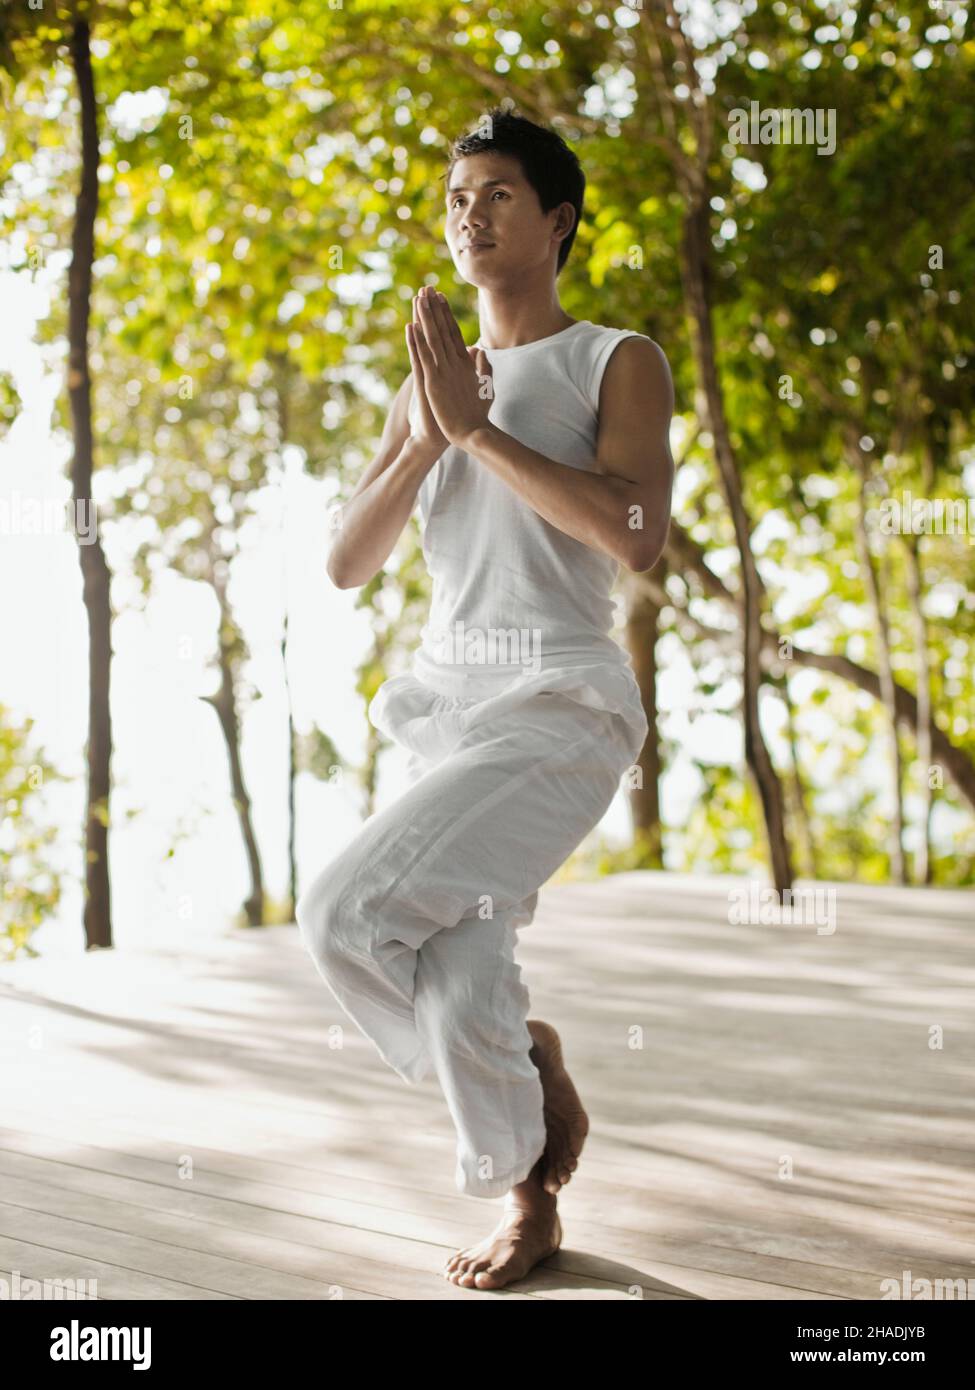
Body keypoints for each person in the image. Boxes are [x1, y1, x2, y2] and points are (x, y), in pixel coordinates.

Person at [296, 108, 674, 1291]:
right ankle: (532, 1193)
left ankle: (517, 1067)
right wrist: (423, 437)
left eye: (499, 194)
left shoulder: (616, 358)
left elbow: (636, 533)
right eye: (458, 197)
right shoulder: (428, 384)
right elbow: (347, 563)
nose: (471, 213)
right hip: (448, 714)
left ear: (557, 220)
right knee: (460, 984)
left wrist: (481, 432)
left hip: (561, 710)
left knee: (340, 911)